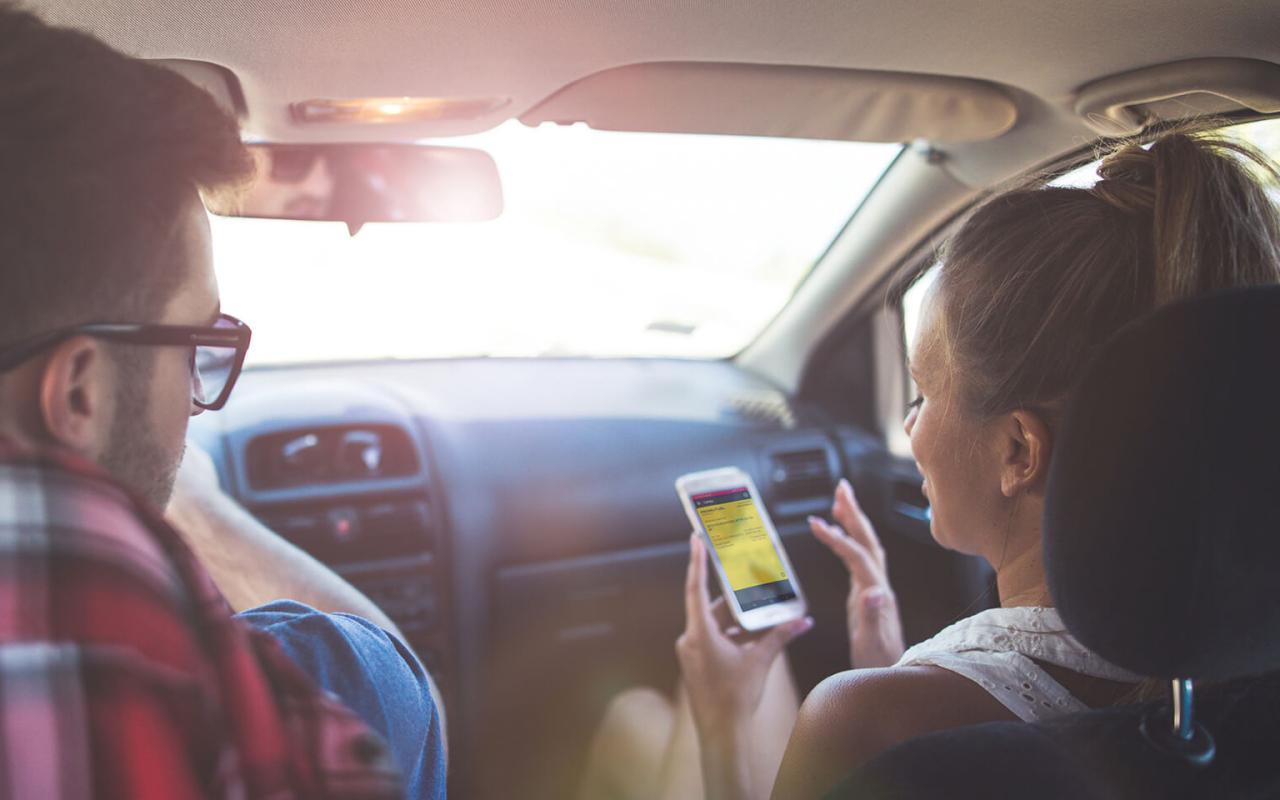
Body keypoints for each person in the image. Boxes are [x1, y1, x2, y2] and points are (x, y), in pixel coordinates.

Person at [580, 128, 1280, 800]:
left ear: (1018, 453)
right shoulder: (1242, 693)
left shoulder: (866, 724)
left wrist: (723, 721)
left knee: (635, 720)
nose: (910, 425)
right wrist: (890, 665)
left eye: (924, 392)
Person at [0, 5, 443, 797]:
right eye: (195, 346)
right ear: (78, 392)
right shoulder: (273, 707)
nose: (199, 401)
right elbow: (396, 701)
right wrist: (188, 508)